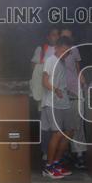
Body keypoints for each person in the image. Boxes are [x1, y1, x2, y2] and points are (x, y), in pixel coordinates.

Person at [41, 36, 77, 179]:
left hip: (64, 102)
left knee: (70, 132)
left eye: (68, 52)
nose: (66, 54)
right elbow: (44, 81)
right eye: (63, 51)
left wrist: (66, 91)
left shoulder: (62, 62)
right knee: (57, 134)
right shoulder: (50, 61)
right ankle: (48, 168)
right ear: (56, 48)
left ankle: (56, 163)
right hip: (52, 103)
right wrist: (55, 89)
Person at [59, 28, 88, 170]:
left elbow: (78, 68)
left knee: (77, 123)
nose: (67, 40)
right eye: (64, 37)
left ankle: (79, 155)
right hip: (61, 92)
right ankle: (63, 154)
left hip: (75, 90)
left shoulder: (74, 50)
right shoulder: (54, 52)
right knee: (63, 125)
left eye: (69, 37)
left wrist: (83, 83)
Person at [30, 28, 59, 161]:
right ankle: (45, 152)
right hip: (44, 93)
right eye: (53, 35)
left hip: (58, 94)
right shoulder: (41, 49)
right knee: (45, 124)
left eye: (58, 35)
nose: (56, 37)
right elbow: (34, 69)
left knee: (59, 124)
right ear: (48, 36)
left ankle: (58, 154)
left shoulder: (63, 50)